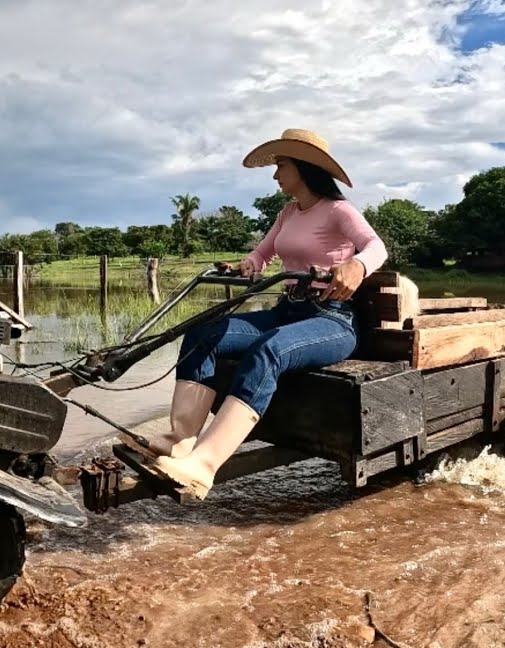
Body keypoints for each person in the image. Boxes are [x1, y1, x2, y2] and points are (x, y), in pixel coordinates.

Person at [122, 128, 387, 501]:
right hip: (288, 310)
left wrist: (357, 267)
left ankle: (203, 466)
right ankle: (180, 442)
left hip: (332, 318)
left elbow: (377, 247)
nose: (276, 174)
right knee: (205, 333)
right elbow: (262, 255)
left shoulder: (339, 211)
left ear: (304, 167)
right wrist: (245, 264)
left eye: (281, 165)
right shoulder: (287, 213)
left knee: (269, 349)